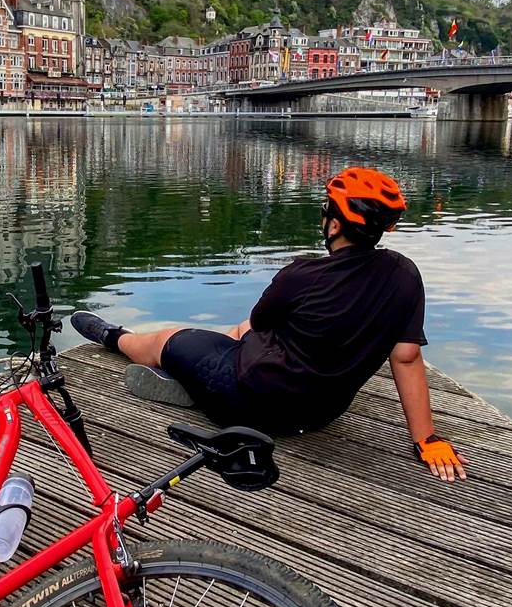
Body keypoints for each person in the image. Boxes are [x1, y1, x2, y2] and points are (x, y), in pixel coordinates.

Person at [72, 167, 466, 482]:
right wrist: (426, 439)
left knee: (170, 339)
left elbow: (258, 325)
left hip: (249, 402)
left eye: (326, 211)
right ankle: (195, 375)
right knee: (235, 339)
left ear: (334, 226)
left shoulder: (302, 275)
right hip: (320, 414)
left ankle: (114, 338)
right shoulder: (404, 275)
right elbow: (407, 358)